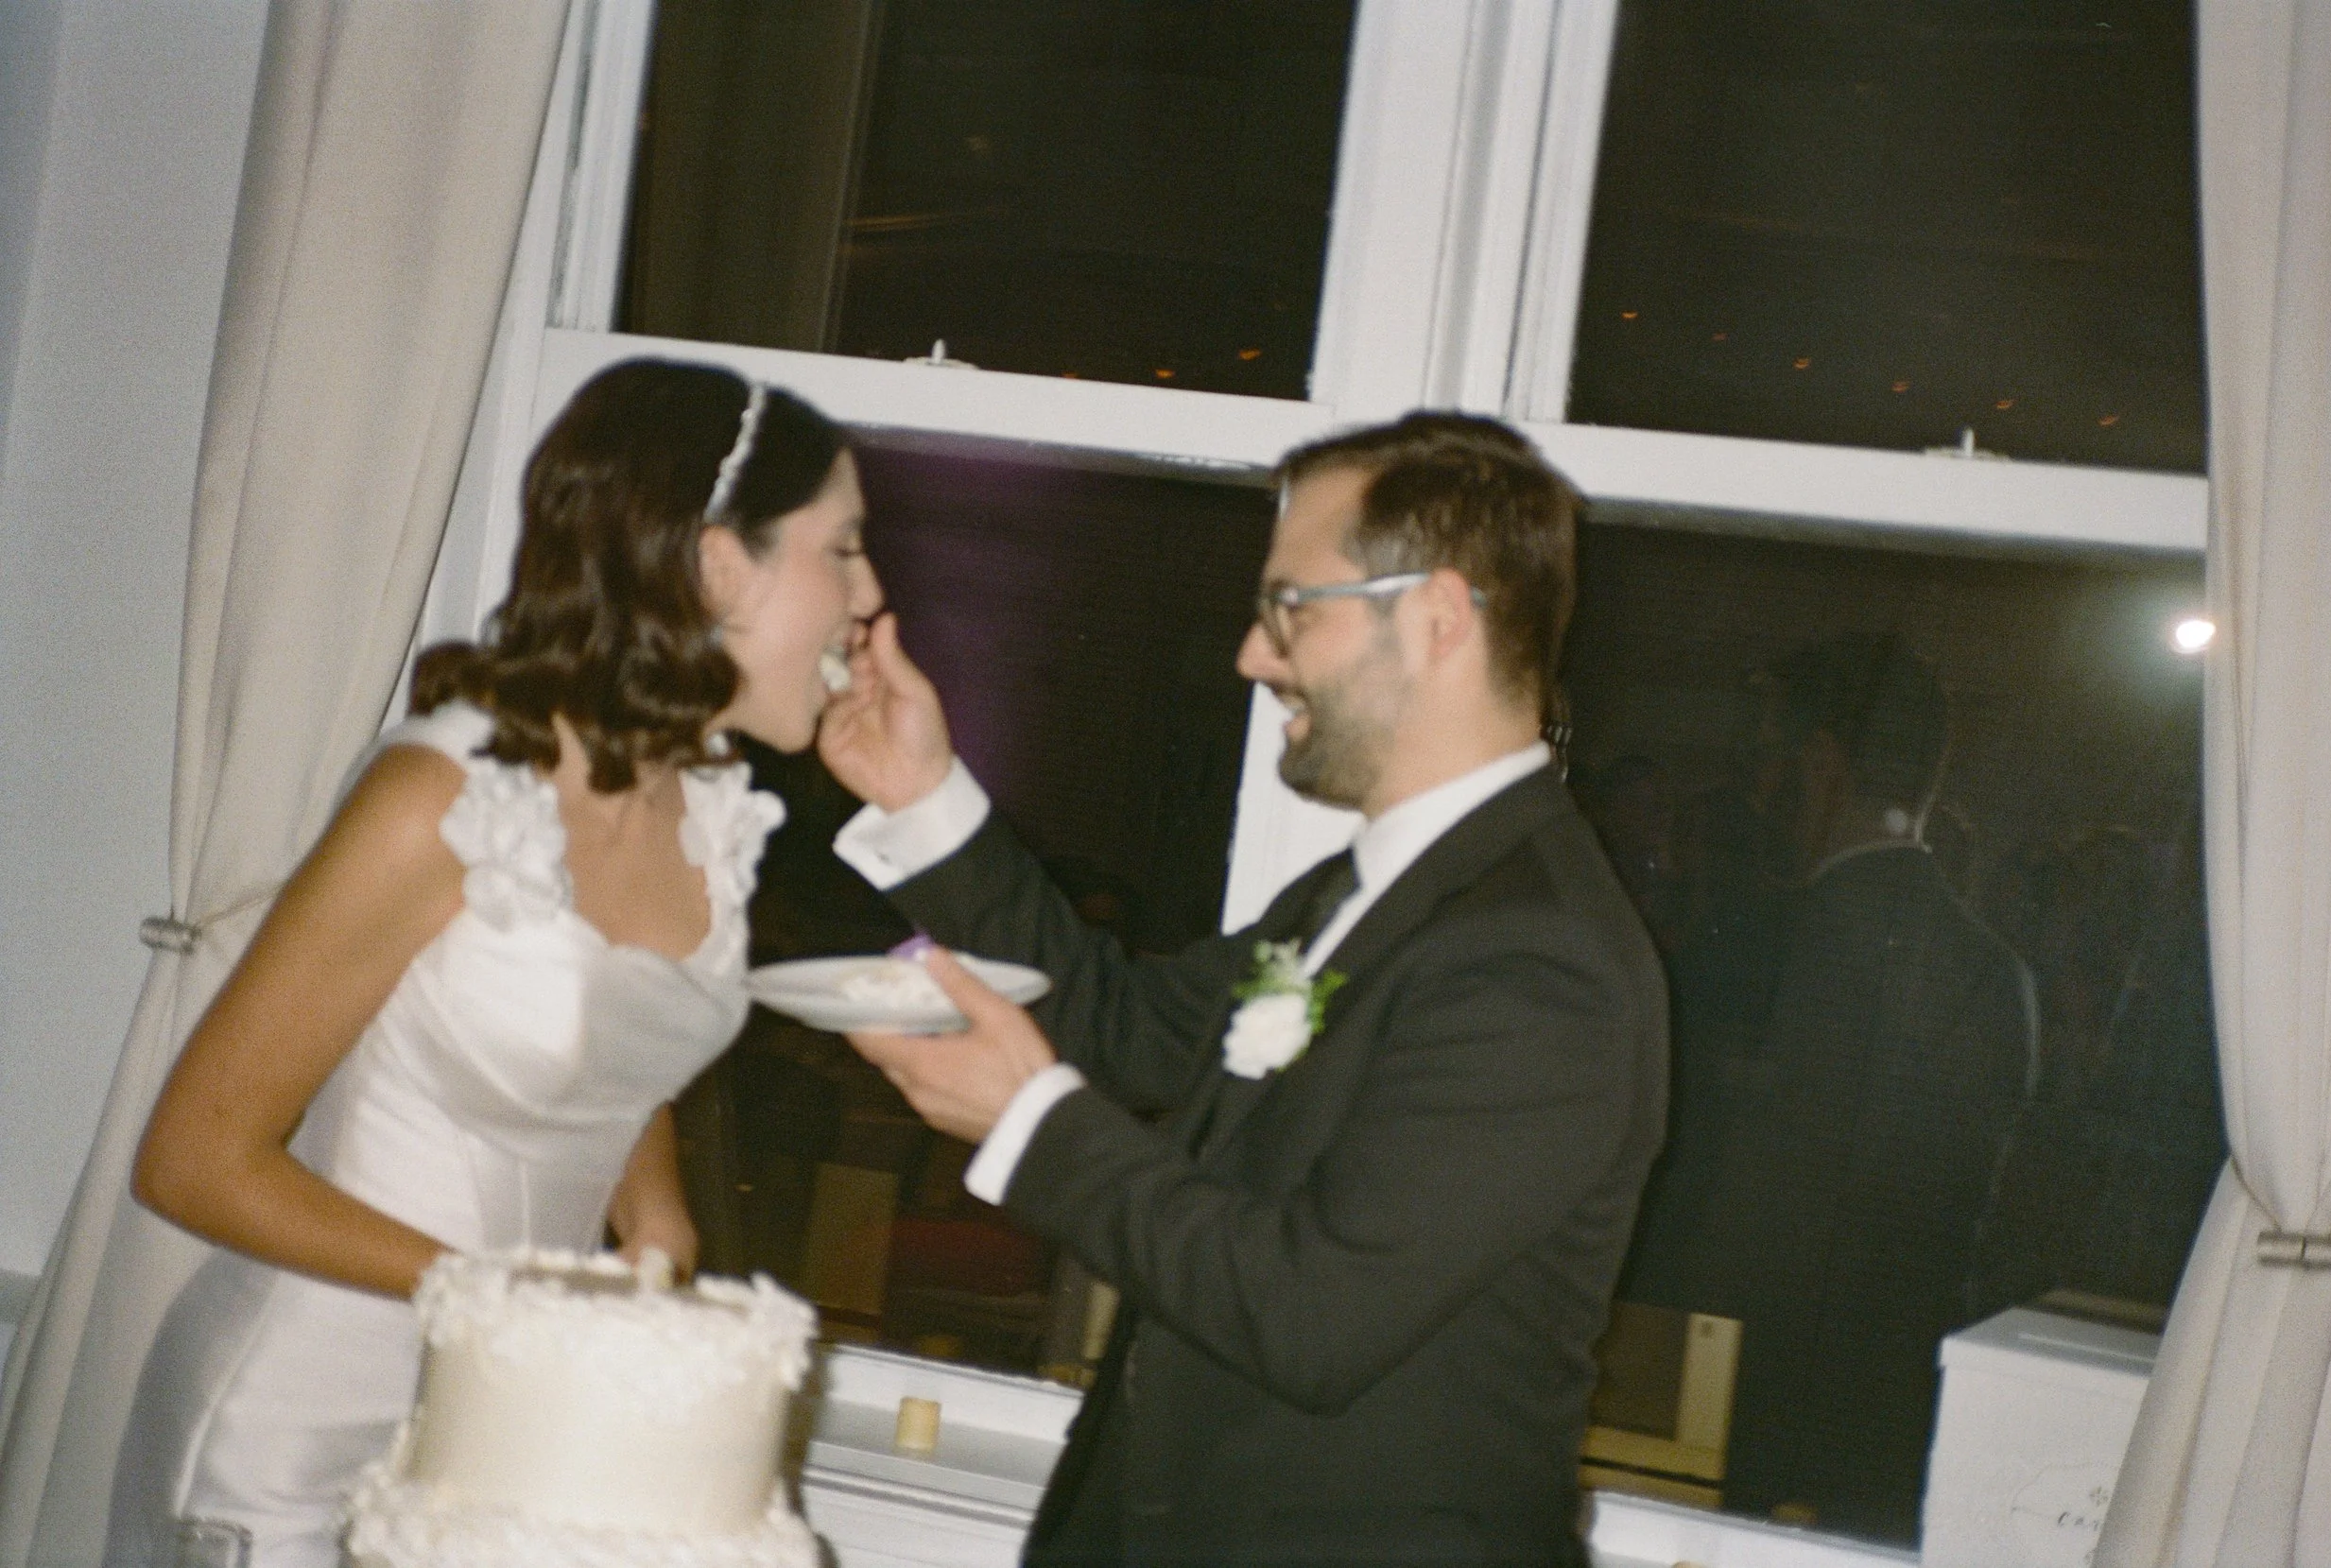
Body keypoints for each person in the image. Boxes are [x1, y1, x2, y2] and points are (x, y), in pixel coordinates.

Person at [819, 412, 1668, 1566]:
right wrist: (920, 792)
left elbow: (1312, 1314)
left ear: (1437, 617)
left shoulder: (1540, 963)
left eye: (1290, 608)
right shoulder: (1365, 894)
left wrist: (1027, 1124)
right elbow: (1121, 1025)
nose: (1253, 657)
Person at [105, 358, 880, 1567]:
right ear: (720, 567)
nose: (869, 596)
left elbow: (601, 1029)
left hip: (509, 1440)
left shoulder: (707, 802)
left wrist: (653, 1215)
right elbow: (189, 1162)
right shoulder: (439, 798)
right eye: (843, 550)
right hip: (289, 1456)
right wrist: (515, 1301)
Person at [1690, 634, 2036, 1541]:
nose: (1757, 790)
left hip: (1738, 1417)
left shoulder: (1765, 947)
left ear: (1819, 762)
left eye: (1766, 758)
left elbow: (1722, 1211)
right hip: (1895, 1427)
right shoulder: (1998, 975)